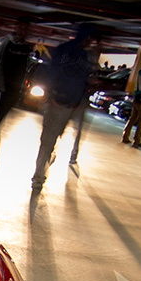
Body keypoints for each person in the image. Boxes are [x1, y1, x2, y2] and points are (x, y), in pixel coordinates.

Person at [30, 24, 99, 190]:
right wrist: (50, 95)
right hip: (56, 102)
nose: (90, 42)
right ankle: (38, 176)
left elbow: (81, 78)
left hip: (70, 105)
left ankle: (46, 163)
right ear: (83, 36)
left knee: (53, 138)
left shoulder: (83, 56)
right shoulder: (63, 50)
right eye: (88, 38)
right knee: (47, 139)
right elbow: (52, 73)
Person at [0, 17, 32, 162]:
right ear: (16, 28)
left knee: (0, 119)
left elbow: (25, 69)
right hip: (3, 88)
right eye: (20, 27)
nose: (22, 31)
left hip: (14, 90)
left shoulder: (26, 48)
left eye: (25, 29)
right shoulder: (8, 42)